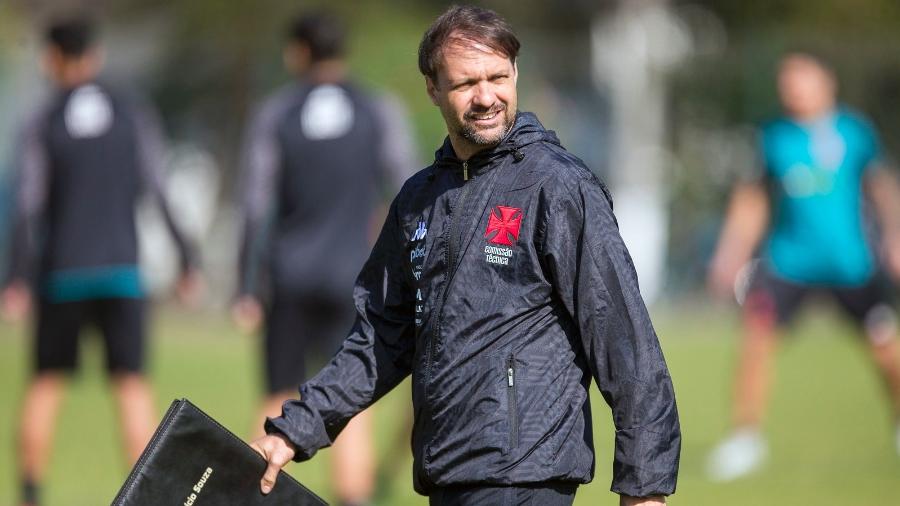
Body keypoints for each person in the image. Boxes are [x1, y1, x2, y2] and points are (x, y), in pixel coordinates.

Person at [251, 6, 680, 506]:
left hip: (526, 478)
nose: (486, 97)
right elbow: (379, 340)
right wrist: (294, 430)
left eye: (498, 77)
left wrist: (644, 488)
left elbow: (625, 343)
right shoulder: (417, 200)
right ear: (433, 88)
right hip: (447, 475)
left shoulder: (558, 186)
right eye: (465, 83)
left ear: (516, 72)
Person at [2, 18, 199, 506]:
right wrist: (187, 257)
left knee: (46, 385)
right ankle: (146, 497)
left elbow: (29, 203)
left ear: (52, 59)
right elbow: (158, 186)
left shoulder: (43, 119)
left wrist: (16, 278)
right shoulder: (131, 113)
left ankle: (29, 494)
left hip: (62, 276)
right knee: (131, 387)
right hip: (122, 274)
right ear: (96, 54)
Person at [232, 11, 417, 506]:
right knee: (350, 401)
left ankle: (254, 496)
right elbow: (407, 189)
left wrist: (245, 285)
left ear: (298, 52)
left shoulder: (277, 113)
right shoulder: (378, 110)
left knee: (276, 395)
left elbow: (254, 202)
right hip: (355, 278)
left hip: (289, 276)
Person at [706, 52, 900, 481]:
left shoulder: (855, 132)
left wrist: (894, 236)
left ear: (826, 82)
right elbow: (752, 201)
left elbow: (881, 188)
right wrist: (731, 252)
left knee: (887, 351)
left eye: (801, 78)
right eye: (786, 80)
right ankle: (746, 440)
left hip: (852, 264)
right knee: (756, 341)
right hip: (788, 262)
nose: (792, 88)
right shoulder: (772, 137)